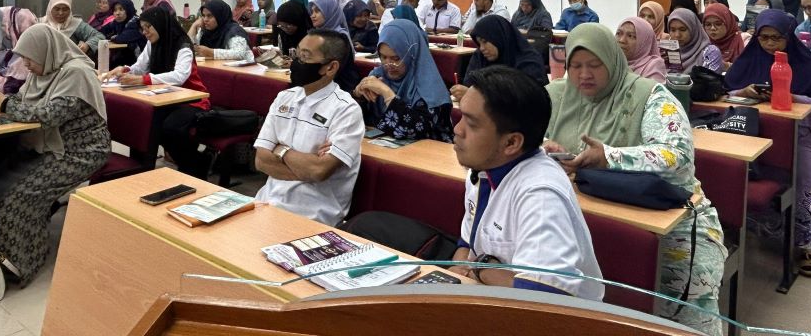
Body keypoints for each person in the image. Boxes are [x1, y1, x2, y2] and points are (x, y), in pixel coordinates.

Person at [347, 66, 604, 298]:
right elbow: (467, 244)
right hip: (490, 296)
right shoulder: (485, 167)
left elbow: (542, 294)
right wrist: (465, 272)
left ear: (512, 142)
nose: (457, 130)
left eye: (471, 123)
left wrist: (479, 269)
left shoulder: (540, 194)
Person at [544, 24, 727, 335]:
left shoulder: (650, 95)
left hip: (671, 222)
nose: (583, 75)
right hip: (582, 218)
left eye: (594, 64)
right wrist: (545, 149)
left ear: (613, 61)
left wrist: (611, 157)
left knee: (684, 307)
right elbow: (517, 137)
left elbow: (676, 155)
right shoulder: (555, 95)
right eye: (575, 66)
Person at [0, 24, 110, 285]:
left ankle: (22, 260)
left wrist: (3, 104)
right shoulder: (44, 71)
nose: (25, 64)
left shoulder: (76, 73)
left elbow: (50, 115)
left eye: (29, 57)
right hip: (50, 146)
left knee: (21, 195)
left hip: (80, 151)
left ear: (45, 51)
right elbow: (23, 102)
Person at [724, 10, 811, 278]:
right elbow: (724, 92)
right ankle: (751, 226)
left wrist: (795, 97)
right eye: (763, 38)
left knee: (808, 175)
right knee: (736, 167)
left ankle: (808, 245)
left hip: (806, 136)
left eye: (776, 38)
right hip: (757, 132)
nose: (769, 44)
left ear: (788, 38)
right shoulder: (750, 59)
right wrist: (744, 92)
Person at [254, 30, 365, 226]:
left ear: (330, 67)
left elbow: (318, 171)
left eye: (304, 57)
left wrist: (281, 149)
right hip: (265, 202)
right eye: (296, 54)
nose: (295, 62)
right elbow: (261, 161)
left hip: (312, 215)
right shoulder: (284, 97)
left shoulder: (346, 110)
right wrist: (307, 167)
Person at [105, 6, 212, 176]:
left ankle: (195, 165)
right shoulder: (152, 42)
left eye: (148, 27)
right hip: (165, 98)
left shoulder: (183, 44)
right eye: (143, 28)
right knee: (143, 121)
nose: (145, 32)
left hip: (191, 100)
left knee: (170, 128)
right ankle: (140, 169)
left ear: (160, 24)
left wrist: (144, 79)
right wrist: (124, 70)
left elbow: (179, 76)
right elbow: (140, 67)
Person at [353, 19, 454, 142]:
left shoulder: (429, 85)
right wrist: (358, 96)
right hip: (384, 150)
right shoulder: (377, 76)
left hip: (428, 153)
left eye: (396, 58)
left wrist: (387, 94)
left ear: (412, 54)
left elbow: (416, 130)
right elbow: (359, 120)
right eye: (383, 57)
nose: (388, 64)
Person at [450, 15, 546, 102]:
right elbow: (469, 83)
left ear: (498, 37)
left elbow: (525, 97)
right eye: (479, 43)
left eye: (485, 41)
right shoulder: (480, 56)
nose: (482, 48)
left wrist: (476, 95)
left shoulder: (529, 61)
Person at [667, 8, 722, 72]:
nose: (677, 35)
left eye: (682, 29)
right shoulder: (669, 51)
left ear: (694, 29)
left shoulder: (710, 52)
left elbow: (712, 81)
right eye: (673, 30)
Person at [615, 17, 667, 83]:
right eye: (619, 33)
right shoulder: (613, 61)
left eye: (630, 36)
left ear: (644, 42)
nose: (622, 40)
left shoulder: (653, 66)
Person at [100, 0, 146, 67]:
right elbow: (101, 31)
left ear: (128, 9)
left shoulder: (136, 22)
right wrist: (111, 36)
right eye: (115, 10)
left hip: (139, 61)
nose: (117, 13)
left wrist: (114, 37)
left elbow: (121, 38)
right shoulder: (116, 22)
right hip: (125, 57)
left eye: (121, 9)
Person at [701, 4, 747, 69]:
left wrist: (727, 66)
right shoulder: (703, 43)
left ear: (728, 22)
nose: (712, 28)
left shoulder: (744, 39)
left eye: (718, 24)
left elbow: (751, 68)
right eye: (708, 24)